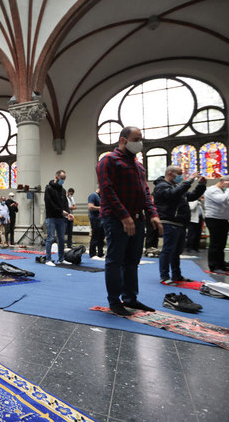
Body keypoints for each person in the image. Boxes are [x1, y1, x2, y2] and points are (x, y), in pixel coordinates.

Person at [96, 126, 162, 316]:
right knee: (115, 261)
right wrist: (124, 216)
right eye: (136, 139)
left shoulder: (138, 165)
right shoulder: (108, 160)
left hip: (137, 219)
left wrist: (153, 213)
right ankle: (115, 301)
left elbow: (145, 192)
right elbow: (107, 190)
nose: (140, 142)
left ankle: (130, 298)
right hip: (116, 219)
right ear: (123, 140)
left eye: (141, 139)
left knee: (133, 261)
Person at [152, 166, 206, 284]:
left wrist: (201, 185)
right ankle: (164, 276)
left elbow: (191, 196)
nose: (181, 176)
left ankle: (177, 275)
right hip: (169, 221)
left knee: (177, 251)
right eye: (179, 174)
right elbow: (173, 194)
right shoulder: (161, 186)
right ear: (170, 173)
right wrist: (189, 180)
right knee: (168, 250)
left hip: (180, 222)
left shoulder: (175, 186)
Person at [203, 175, 229, 273]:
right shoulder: (212, 190)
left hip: (223, 220)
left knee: (221, 245)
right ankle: (214, 266)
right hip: (214, 219)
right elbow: (221, 200)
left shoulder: (223, 191)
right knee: (215, 244)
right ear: (225, 182)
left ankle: (221, 265)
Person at [44, 169, 73, 265]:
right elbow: (49, 204)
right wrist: (61, 211)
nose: (63, 180)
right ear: (57, 177)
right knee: (50, 238)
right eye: (62, 178)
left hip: (61, 217)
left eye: (64, 178)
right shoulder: (49, 188)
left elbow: (65, 203)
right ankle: (48, 259)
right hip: (51, 216)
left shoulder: (63, 190)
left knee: (61, 239)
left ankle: (61, 259)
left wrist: (68, 213)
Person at [87, 187, 104, 258]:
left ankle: (100, 253)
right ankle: (92, 254)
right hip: (95, 219)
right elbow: (90, 207)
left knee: (101, 237)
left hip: (101, 219)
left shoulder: (101, 197)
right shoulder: (93, 195)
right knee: (95, 236)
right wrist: (101, 208)